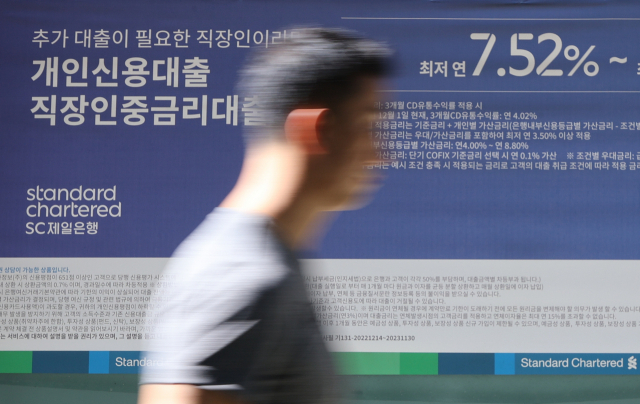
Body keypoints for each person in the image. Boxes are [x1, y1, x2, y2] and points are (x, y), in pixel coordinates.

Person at [138, 28, 393, 404]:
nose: (382, 154)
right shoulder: (241, 274)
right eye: (369, 126)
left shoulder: (268, 261)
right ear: (315, 129)